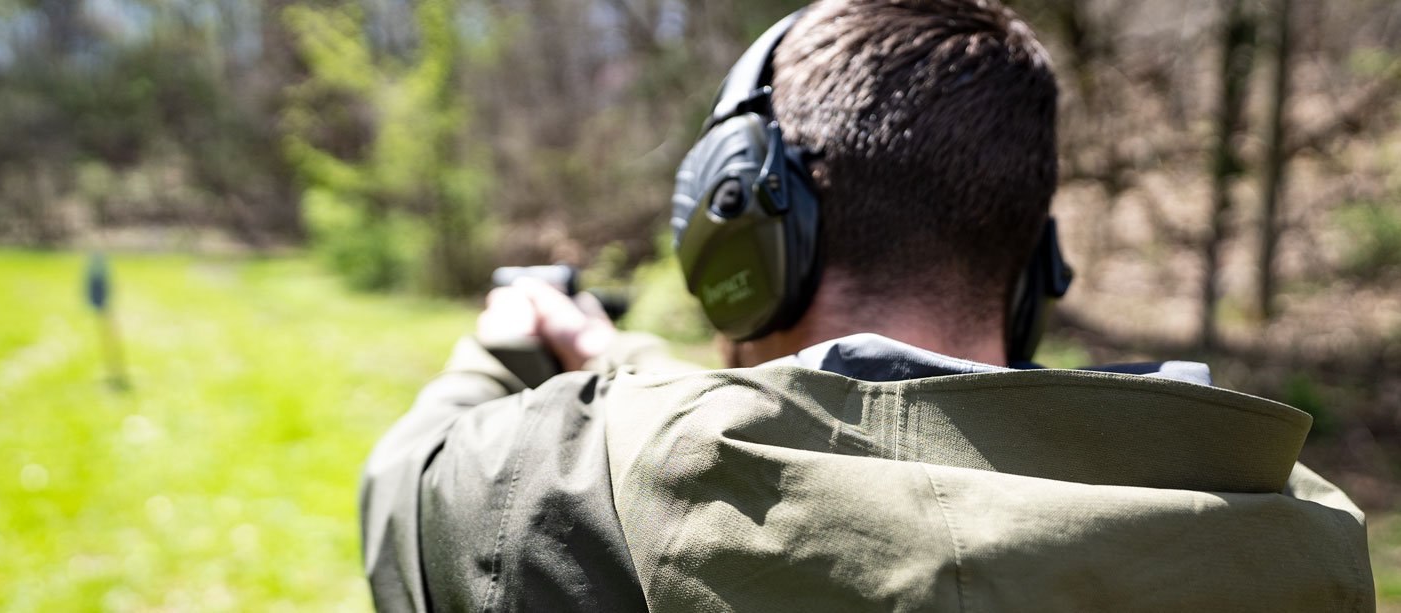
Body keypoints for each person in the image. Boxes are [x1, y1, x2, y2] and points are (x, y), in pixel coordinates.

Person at [360, 0, 1375, 610]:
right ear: (1030, 271)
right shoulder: (1292, 526)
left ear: (739, 232)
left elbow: (406, 489)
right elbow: (871, 433)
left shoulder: (580, 480)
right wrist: (621, 359)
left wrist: (500, 354)